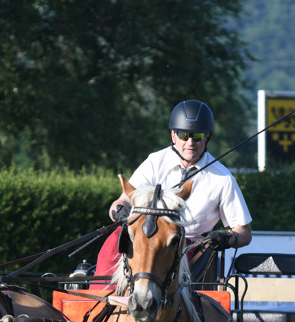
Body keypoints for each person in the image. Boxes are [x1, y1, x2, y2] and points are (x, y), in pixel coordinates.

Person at [98, 99, 252, 282]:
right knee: (115, 239)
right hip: (146, 237)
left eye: (198, 136)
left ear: (208, 137)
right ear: (173, 136)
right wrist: (120, 210)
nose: (190, 142)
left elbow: (244, 233)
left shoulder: (223, 178)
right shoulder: (155, 162)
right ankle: (102, 301)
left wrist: (228, 238)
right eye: (183, 134)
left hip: (188, 248)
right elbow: (123, 200)